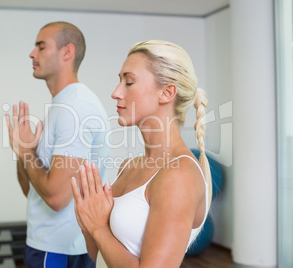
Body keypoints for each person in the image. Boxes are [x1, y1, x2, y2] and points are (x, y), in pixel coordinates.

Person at [71, 40, 213, 267]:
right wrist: (88, 225)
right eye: (119, 81)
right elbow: (99, 255)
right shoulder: (129, 166)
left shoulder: (179, 175)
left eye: (129, 82)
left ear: (167, 92)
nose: (115, 93)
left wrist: (98, 228)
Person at [6, 21, 110, 268]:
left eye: (41, 47)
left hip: (60, 251)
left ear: (67, 52)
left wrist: (27, 152)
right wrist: (23, 153)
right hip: (47, 245)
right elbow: (33, 191)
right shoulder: (60, 108)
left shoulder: (77, 107)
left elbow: (56, 197)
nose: (32, 54)